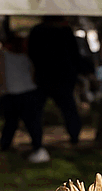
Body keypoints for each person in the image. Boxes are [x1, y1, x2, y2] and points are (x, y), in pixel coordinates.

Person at [27, 15, 89, 145]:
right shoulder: (64, 31)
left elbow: (32, 53)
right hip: (61, 77)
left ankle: (37, 141)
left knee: (36, 112)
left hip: (45, 76)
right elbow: (74, 55)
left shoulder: (39, 31)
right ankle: (74, 137)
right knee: (68, 109)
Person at [0, 32, 48, 163]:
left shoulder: (3, 56)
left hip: (14, 94)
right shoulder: (26, 57)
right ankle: (37, 147)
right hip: (27, 93)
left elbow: (1, 75)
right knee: (31, 123)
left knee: (12, 122)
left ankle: (6, 146)